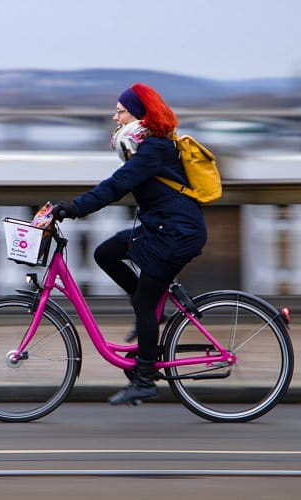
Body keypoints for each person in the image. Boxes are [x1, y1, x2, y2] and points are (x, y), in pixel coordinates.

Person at [53, 83, 207, 405]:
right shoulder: (148, 147)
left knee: (144, 304)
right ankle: (151, 313)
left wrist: (74, 208)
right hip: (161, 228)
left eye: (120, 111)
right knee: (106, 253)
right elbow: (119, 184)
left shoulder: (153, 150)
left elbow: (116, 186)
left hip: (175, 235)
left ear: (138, 115)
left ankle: (145, 378)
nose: (115, 116)